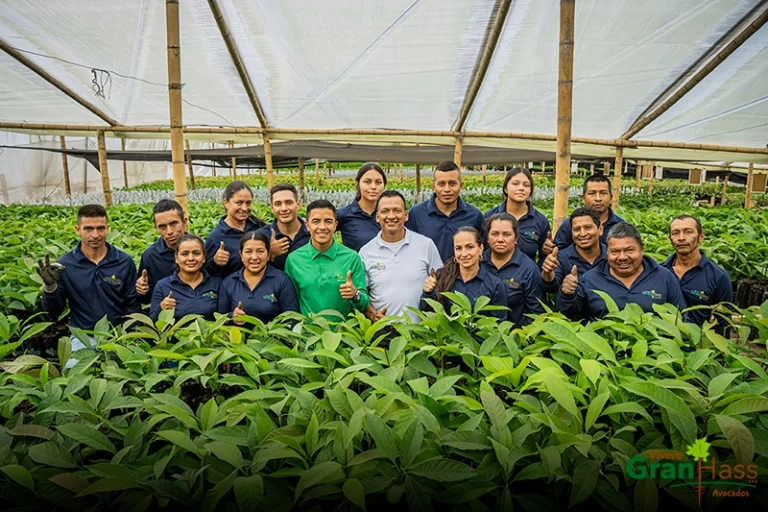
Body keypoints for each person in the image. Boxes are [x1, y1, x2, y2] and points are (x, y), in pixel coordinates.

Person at [37, 204, 140, 367]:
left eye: (100, 228)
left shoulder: (123, 262)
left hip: (117, 335)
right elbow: (53, 312)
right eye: (88, 229)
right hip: (83, 337)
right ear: (78, 229)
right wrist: (50, 287)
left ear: (108, 228)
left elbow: (132, 305)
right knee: (73, 370)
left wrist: (132, 338)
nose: (95, 235)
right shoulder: (65, 265)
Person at [556, 223, 686, 321]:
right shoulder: (589, 279)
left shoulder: (664, 277)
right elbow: (571, 318)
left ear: (642, 249)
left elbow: (681, 318)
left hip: (653, 352)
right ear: (607, 252)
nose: (622, 257)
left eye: (629, 250)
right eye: (615, 252)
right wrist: (567, 294)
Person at [359, 190, 443, 322]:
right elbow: (363, 292)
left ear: (406, 216)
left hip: (421, 332)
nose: (391, 216)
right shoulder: (366, 252)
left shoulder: (426, 245)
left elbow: (441, 283)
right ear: (377, 217)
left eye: (397, 211)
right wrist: (372, 314)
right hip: (383, 332)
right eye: (385, 211)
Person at [285, 200, 370, 317]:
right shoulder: (294, 260)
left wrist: (355, 294)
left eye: (328, 221)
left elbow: (364, 303)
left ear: (335, 225)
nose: (322, 227)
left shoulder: (351, 257)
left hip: (345, 332)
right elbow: (291, 303)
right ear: (307, 225)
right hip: (308, 332)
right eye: (316, 221)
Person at [661, 215, 732, 332]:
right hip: (662, 345)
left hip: (697, 345)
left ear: (701, 237)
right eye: (675, 233)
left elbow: (723, 322)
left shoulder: (718, 276)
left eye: (688, 232)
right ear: (670, 238)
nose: (681, 238)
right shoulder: (658, 272)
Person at [421, 227, 507, 321]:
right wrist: (427, 293)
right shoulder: (442, 276)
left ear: (480, 249)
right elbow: (426, 313)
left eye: (470, 247)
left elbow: (498, 323)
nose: (464, 254)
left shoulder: (493, 284)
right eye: (458, 248)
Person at [406, 160, 484, 262]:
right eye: (441, 184)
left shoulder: (474, 215)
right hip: (428, 276)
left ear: (461, 185)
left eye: (452, 184)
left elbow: (482, 249)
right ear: (433, 186)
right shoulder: (417, 214)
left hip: (463, 276)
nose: (447, 189)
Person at [219, 231, 300, 324]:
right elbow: (220, 319)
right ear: (241, 255)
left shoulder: (282, 280)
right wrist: (232, 316)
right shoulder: (229, 282)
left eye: (260, 251)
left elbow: (292, 318)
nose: (254, 257)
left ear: (268, 254)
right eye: (248, 252)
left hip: (272, 337)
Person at [481, 213, 544, 327]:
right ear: (488, 239)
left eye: (507, 234)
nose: (500, 239)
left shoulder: (529, 269)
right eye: (494, 234)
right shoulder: (478, 263)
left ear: (516, 239)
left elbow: (536, 313)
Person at [484, 167, 551, 263]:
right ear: (505, 189)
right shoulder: (489, 217)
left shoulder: (541, 221)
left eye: (526, 185)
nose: (521, 188)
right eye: (515, 184)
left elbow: (544, 257)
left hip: (527, 276)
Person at [149, 234, 222, 321]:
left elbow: (224, 317)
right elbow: (151, 323)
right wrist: (161, 308)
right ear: (176, 258)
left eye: (196, 253)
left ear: (204, 257)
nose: (190, 258)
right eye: (184, 254)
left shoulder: (217, 283)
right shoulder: (163, 286)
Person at [205, 181, 267, 277]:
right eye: (239, 203)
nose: (244, 208)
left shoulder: (259, 227)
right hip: (233, 290)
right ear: (226, 203)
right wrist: (214, 262)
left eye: (248, 203)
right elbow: (204, 273)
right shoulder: (215, 238)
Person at [541, 207, 607, 294]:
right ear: (571, 233)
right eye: (577, 229)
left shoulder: (611, 255)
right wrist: (547, 273)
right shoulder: (562, 258)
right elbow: (551, 288)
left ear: (600, 229)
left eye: (588, 228)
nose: (582, 234)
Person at [136, 199, 188, 303]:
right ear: (155, 228)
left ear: (184, 222)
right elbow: (145, 300)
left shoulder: (200, 249)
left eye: (173, 223)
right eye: (162, 227)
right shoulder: (150, 256)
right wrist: (142, 290)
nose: (169, 232)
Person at [554, 175, 625, 249]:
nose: (598, 198)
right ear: (583, 198)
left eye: (603, 193)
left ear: (611, 197)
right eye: (592, 193)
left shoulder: (621, 226)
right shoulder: (569, 224)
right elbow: (558, 253)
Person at [256, 183, 310, 271]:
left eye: (289, 202)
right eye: (278, 204)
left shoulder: (312, 232)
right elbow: (252, 271)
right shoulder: (262, 236)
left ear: (298, 204)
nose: (284, 208)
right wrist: (270, 254)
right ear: (272, 208)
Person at [337, 163, 386, 252]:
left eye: (378, 182)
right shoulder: (343, 214)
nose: (373, 187)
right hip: (356, 265)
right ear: (358, 184)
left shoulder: (390, 215)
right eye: (367, 182)